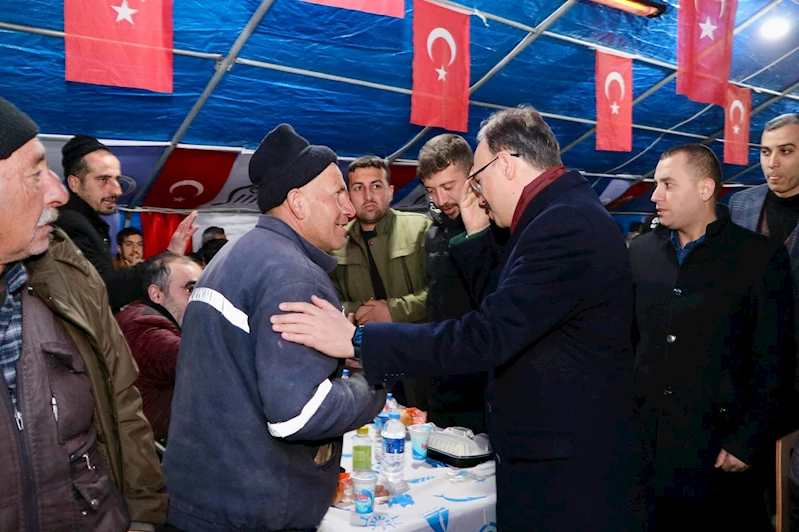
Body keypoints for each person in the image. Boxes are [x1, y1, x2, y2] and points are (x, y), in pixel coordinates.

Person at [272, 106, 638, 530]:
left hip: (569, 461)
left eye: (477, 180)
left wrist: (358, 340)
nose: (477, 195)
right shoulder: (561, 216)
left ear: (506, 164)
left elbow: (486, 334)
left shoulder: (563, 224)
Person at [162, 124, 386, 532]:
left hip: (204, 494)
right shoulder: (292, 274)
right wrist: (370, 374)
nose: (349, 209)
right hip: (253, 507)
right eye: (338, 193)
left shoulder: (233, 256)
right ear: (298, 203)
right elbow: (298, 416)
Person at [0, 97, 166, 530]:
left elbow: (121, 398)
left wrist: (144, 513)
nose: (56, 193)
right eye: (36, 174)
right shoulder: (72, 232)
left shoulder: (67, 268)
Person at [631, 144, 795, 531]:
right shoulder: (640, 253)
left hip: (718, 457)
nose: (655, 195)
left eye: (668, 184)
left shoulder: (759, 257)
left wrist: (747, 439)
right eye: (656, 184)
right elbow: (627, 343)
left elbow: (774, 359)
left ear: (705, 189)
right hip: (647, 453)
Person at [728, 113, 799, 525]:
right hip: (749, 375)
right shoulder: (742, 203)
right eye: (766, 152)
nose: (772, 163)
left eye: (786, 152)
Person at [415, 133, 508, 432]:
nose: (440, 200)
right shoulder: (433, 233)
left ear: (471, 175)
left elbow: (499, 304)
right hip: (442, 377)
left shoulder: (498, 228)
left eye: (447, 186)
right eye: (431, 190)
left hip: (481, 382)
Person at [55, 134, 197, 312]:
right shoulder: (70, 224)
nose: (117, 190)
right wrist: (168, 257)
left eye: (117, 179)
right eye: (103, 179)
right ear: (74, 183)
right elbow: (108, 291)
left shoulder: (88, 223)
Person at [329, 155, 431, 326]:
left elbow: (443, 292)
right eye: (358, 188)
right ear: (349, 196)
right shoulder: (335, 243)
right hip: (363, 349)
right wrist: (358, 310)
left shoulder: (421, 229)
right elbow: (329, 301)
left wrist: (394, 311)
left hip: (418, 344)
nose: (368, 196)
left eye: (376, 186)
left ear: (390, 192)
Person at [115, 252, 202, 442]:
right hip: (151, 455)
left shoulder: (138, 314)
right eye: (190, 290)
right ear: (156, 294)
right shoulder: (146, 328)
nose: (200, 301)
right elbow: (202, 363)